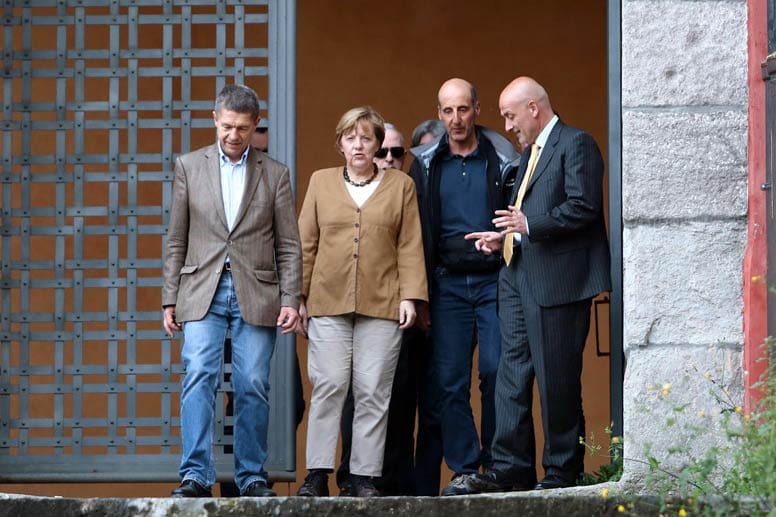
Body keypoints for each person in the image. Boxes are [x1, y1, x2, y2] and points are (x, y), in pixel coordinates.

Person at [460, 76, 611, 493]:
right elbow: (526, 217)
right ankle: (510, 467)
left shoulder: (576, 143)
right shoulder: (530, 154)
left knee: (556, 378)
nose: (507, 125)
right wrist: (505, 237)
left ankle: (562, 471)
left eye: (510, 115)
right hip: (517, 275)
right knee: (509, 375)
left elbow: (583, 206)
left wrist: (530, 225)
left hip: (559, 282)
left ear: (533, 108)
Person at [162, 84, 302, 498]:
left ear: (255, 123)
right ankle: (195, 475)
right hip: (200, 288)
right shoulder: (188, 166)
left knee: (253, 382)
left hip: (256, 290)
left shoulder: (274, 173)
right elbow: (176, 238)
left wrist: (291, 299)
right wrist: (169, 297)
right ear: (214, 119)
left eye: (242, 127)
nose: (233, 135)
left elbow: (288, 245)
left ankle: (251, 476)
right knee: (199, 376)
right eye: (226, 126)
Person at [295, 106, 427, 498]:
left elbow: (409, 244)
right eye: (351, 137)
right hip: (327, 302)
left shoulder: (400, 187)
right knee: (330, 385)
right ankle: (317, 473)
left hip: (383, 302)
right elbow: (306, 244)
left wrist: (411, 297)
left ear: (378, 145)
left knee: (373, 390)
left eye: (367, 138)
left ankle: (364, 476)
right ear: (340, 144)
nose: (359, 145)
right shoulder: (320, 183)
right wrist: (297, 298)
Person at [408, 78, 519, 496]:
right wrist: (419, 295)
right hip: (447, 284)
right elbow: (416, 234)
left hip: (495, 280)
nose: (456, 119)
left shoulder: (504, 159)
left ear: (477, 110)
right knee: (450, 381)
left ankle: (496, 464)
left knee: (495, 372)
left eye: (463, 109)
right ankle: (465, 467)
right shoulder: (425, 163)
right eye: (448, 111)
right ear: (439, 114)